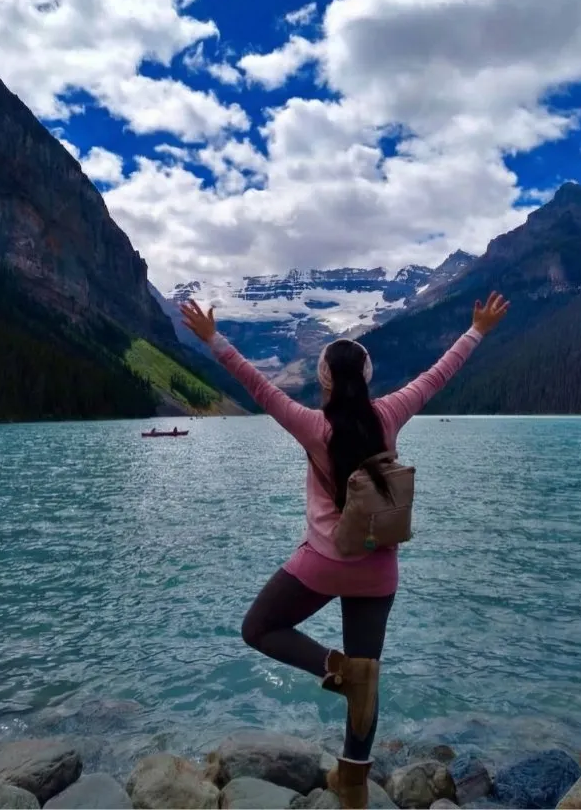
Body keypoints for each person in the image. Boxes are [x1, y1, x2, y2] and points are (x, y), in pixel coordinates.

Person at [178, 291, 508, 809]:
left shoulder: (313, 427)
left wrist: (213, 338)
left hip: (323, 563)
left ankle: (334, 667)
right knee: (368, 673)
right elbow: (439, 374)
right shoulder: (391, 414)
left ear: (325, 380)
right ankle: (353, 783)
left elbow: (256, 385)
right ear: (369, 377)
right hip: (378, 568)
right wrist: (477, 331)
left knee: (259, 629)